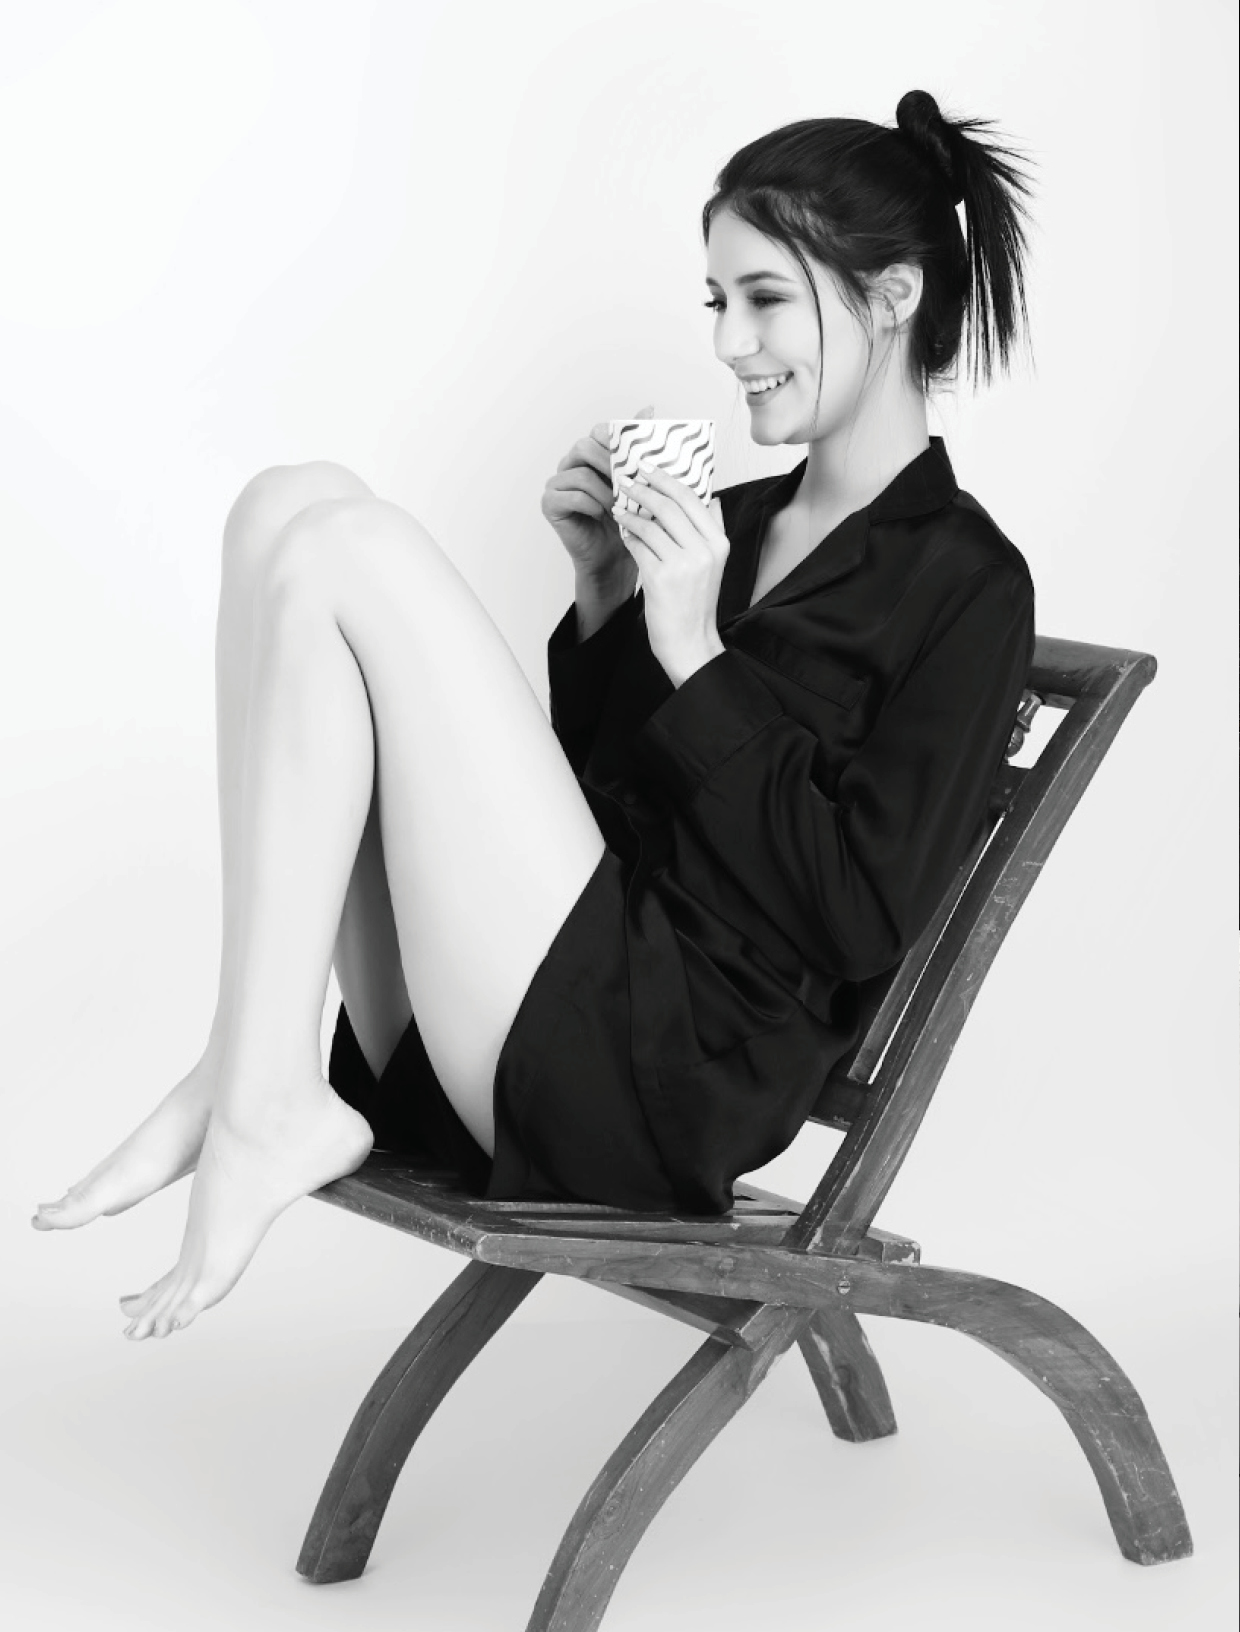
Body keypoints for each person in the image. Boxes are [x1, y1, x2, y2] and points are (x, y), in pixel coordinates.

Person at [31, 89, 1037, 1341]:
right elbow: (597, 803)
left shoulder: (967, 584)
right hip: (538, 1011)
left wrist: (693, 652)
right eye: (717, 301)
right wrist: (606, 594)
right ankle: (251, 1064)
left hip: (648, 1084)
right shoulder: (730, 522)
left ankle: (258, 1089)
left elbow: (860, 912)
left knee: (350, 545)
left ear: (890, 297)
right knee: (286, 503)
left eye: (766, 298)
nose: (730, 342)